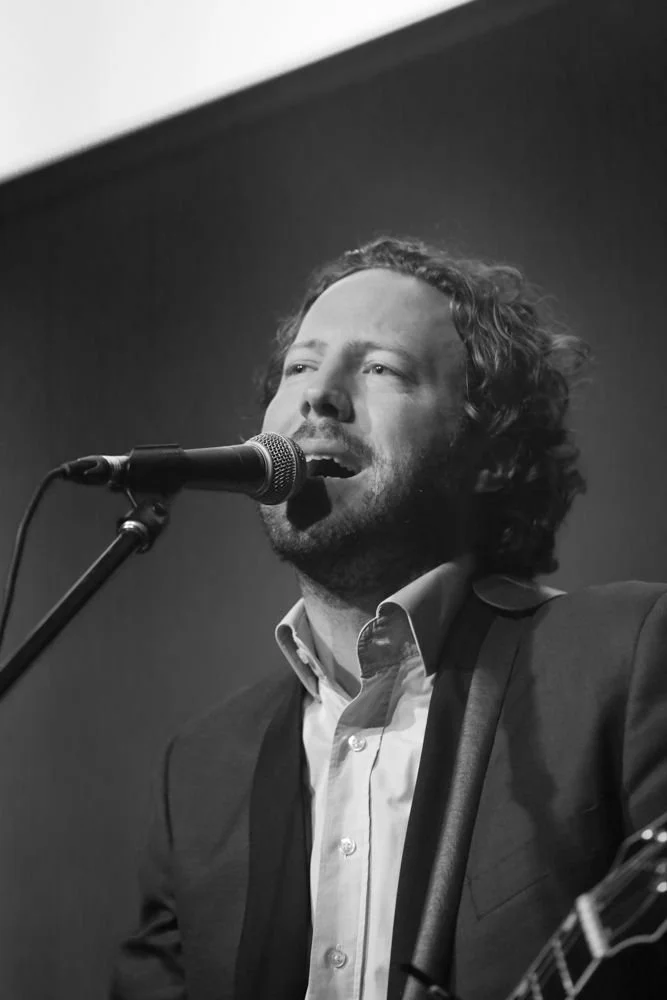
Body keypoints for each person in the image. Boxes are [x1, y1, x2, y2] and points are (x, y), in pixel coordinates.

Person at [110, 236, 667, 1000]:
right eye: (299, 367)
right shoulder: (203, 769)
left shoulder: (627, 654)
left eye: (379, 369)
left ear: (491, 449)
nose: (318, 396)